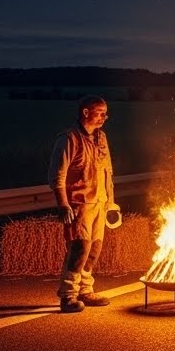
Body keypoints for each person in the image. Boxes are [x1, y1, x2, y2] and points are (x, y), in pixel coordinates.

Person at [49, 95, 116, 313]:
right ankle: (68, 295)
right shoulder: (69, 139)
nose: (105, 117)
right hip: (80, 204)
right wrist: (63, 205)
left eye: (106, 113)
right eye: (100, 113)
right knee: (80, 248)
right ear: (86, 113)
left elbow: (108, 171)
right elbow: (57, 175)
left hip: (100, 203)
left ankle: (85, 290)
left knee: (94, 250)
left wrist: (111, 202)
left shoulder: (102, 138)